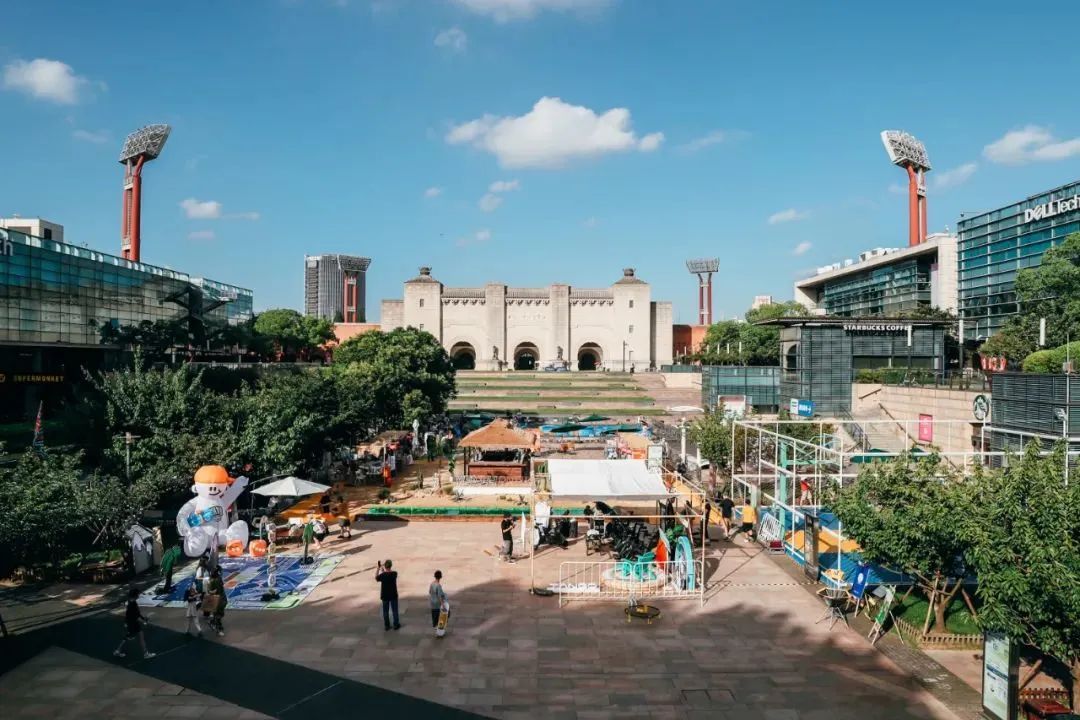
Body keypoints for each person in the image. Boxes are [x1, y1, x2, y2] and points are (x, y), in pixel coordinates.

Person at [114, 587, 156, 659]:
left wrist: (126, 622)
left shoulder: (130, 601)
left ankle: (117, 650)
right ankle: (146, 654)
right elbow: (137, 615)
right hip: (133, 623)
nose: (139, 595)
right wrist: (144, 619)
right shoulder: (133, 604)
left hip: (129, 623)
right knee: (141, 637)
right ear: (135, 595)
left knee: (128, 637)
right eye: (138, 594)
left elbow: (131, 614)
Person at [376, 560, 401, 630]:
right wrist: (383, 571)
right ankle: (396, 624)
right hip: (393, 594)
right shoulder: (394, 573)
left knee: (385, 611)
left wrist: (378, 569)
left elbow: (376, 578)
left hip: (385, 595)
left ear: (385, 566)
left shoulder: (382, 575)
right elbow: (388, 575)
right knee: (395, 610)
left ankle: (387, 625)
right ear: (391, 566)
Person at [203, 566, 227, 637]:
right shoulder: (215, 579)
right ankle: (218, 629)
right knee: (218, 615)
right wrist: (212, 591)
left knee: (218, 614)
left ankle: (213, 622)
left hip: (220, 598)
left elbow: (210, 591)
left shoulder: (215, 579)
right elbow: (211, 591)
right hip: (218, 599)